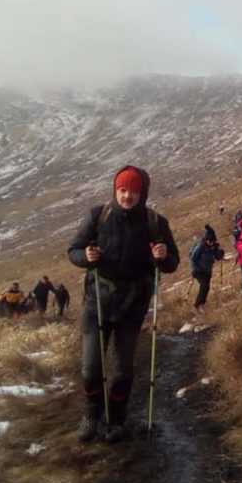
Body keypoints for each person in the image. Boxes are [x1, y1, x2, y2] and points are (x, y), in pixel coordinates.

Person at [67, 165, 179, 443]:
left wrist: (163, 255)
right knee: (91, 368)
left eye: (134, 191)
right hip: (98, 302)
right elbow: (73, 250)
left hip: (133, 304)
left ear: (143, 193)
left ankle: (116, 420)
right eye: (122, 190)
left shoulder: (155, 223)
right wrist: (86, 256)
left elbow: (172, 263)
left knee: (122, 368)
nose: (127, 196)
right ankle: (92, 414)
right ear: (115, 190)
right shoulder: (97, 217)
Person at [190, 225, 225, 313]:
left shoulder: (213, 247)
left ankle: (202, 305)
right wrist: (194, 270)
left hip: (207, 270)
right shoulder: (200, 246)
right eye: (210, 241)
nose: (211, 243)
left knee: (206, 287)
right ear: (206, 240)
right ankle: (196, 306)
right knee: (204, 286)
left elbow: (216, 257)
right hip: (198, 270)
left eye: (213, 241)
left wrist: (220, 253)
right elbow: (193, 258)